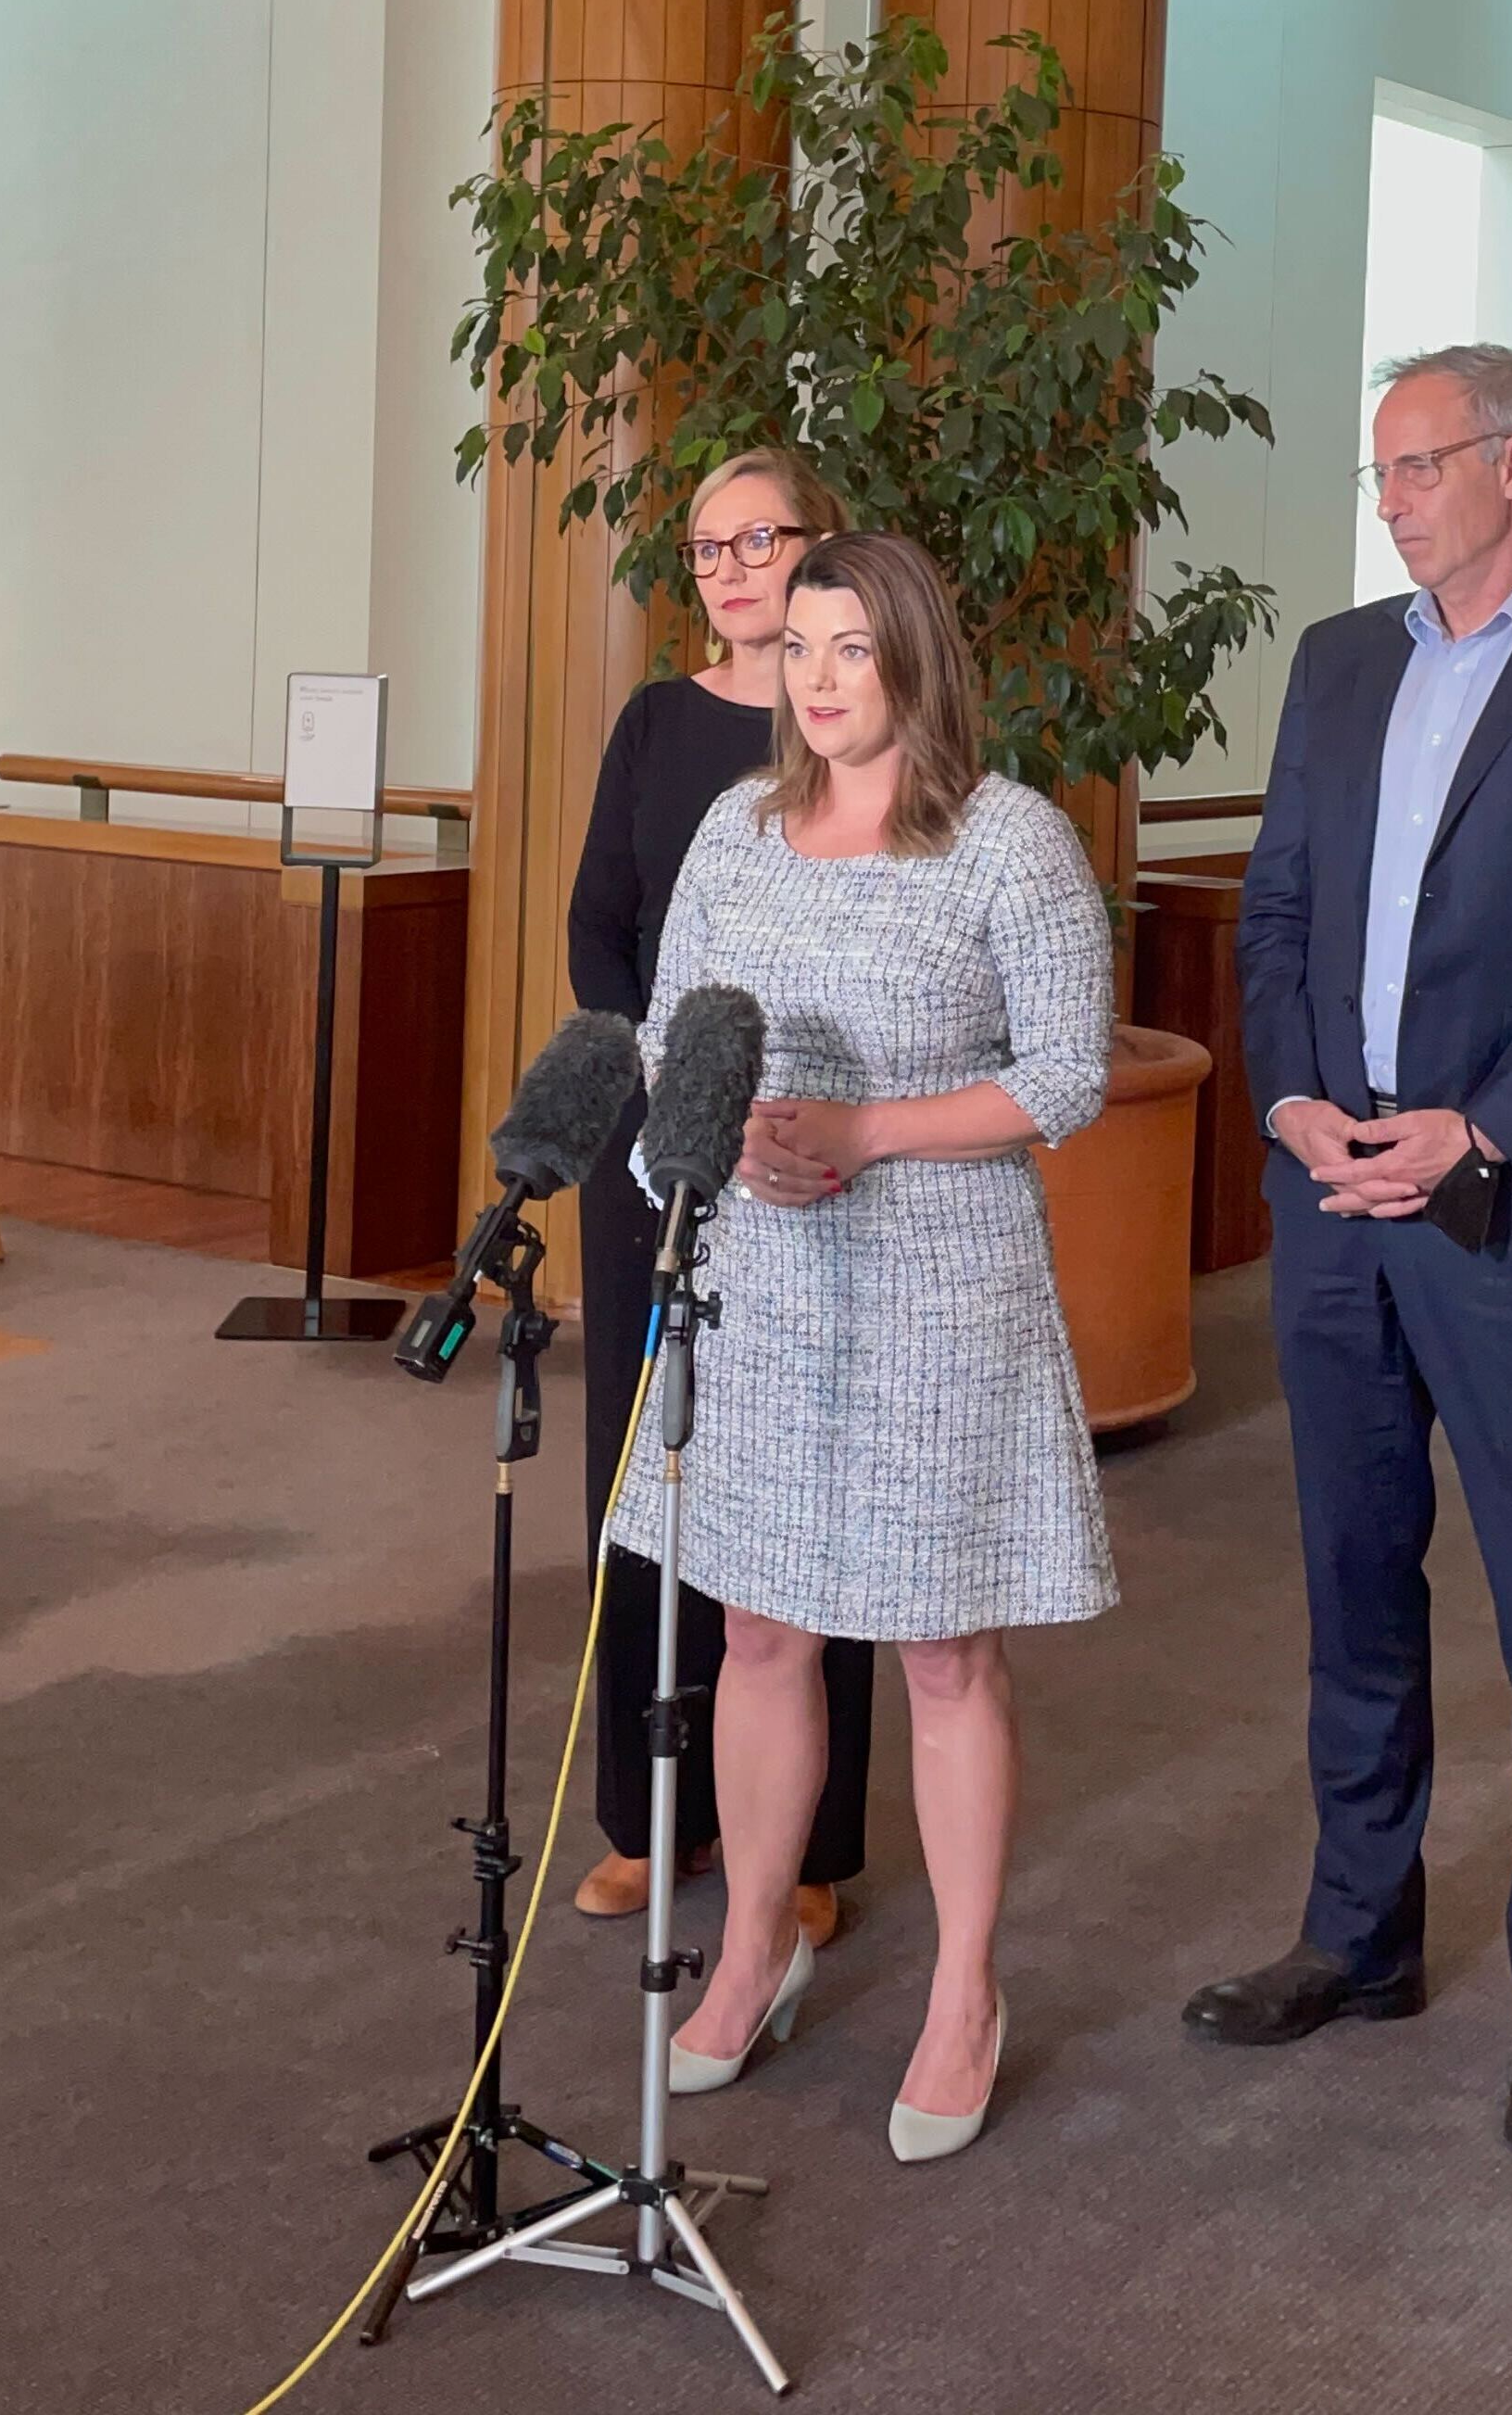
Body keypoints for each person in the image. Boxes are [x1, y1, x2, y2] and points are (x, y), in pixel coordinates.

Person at [1184, 343, 1512, 2167]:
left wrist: (1476, 1127)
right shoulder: (1342, 663)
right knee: (1354, 1584)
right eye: (1380, 473)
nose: (1391, 498)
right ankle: (1358, 1934)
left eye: (1417, 467)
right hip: (1337, 1202)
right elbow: (1270, 911)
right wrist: (1294, 1106)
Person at [611, 530, 1117, 2162]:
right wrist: (703, 1154)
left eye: (852, 648)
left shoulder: (1005, 841)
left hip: (935, 1293)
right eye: (800, 650)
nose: (820, 682)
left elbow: (1062, 1078)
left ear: (914, 657)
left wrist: (864, 1127)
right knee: (757, 1632)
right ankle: (756, 1943)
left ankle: (965, 1991)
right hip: (760, 1285)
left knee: (941, 1651)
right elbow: (673, 1037)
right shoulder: (734, 831)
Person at [567, 449, 876, 1945]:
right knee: (646, 1484)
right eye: (707, 549)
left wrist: (782, 1111)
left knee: (812, 1493)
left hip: (815, 1155)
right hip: (660, 1151)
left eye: (763, 539)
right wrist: (677, 1097)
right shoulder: (651, 724)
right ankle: (648, 1820)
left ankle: (808, 1846)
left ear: (821, 551)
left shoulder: (853, 719)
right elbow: (598, 931)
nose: (736, 567)